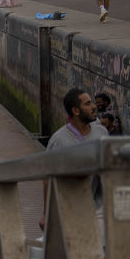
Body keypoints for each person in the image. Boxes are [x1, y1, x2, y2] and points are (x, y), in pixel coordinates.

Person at [42, 88, 110, 231]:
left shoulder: (101, 133)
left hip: (96, 207)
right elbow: (48, 177)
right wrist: (46, 213)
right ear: (76, 111)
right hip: (68, 210)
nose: (93, 107)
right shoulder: (59, 141)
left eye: (92, 103)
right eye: (88, 104)